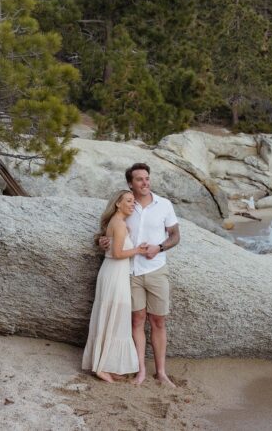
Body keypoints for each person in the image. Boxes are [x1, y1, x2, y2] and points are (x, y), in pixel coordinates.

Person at [101, 162, 180, 387]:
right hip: (131, 271)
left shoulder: (164, 205)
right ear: (130, 183)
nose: (145, 183)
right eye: (139, 179)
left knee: (158, 321)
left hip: (156, 270)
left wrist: (160, 247)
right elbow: (108, 230)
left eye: (147, 178)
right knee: (137, 320)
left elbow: (175, 236)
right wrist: (102, 240)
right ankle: (141, 371)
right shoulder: (126, 206)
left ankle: (162, 372)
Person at [81, 190, 149, 383]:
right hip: (114, 273)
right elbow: (118, 253)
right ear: (117, 204)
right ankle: (100, 366)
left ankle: (108, 364)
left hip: (115, 273)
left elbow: (109, 246)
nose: (132, 204)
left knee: (115, 317)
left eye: (133, 201)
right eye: (128, 201)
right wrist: (138, 250)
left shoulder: (118, 223)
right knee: (113, 316)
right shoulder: (118, 224)